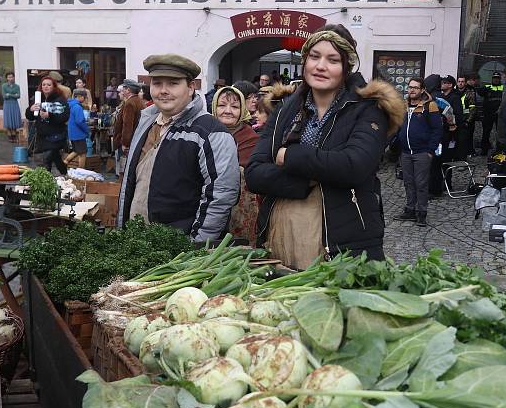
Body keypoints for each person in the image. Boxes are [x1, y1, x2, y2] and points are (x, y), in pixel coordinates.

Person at [246, 24, 403, 268]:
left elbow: (355, 166)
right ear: (305, 61)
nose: (321, 66)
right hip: (282, 228)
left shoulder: (369, 110)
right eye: (314, 57)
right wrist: (311, 178)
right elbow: (255, 174)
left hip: (343, 234)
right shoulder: (284, 108)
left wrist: (290, 157)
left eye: (333, 60)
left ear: (345, 68)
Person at [116, 54, 240, 242]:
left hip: (178, 251)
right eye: (157, 83)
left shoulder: (211, 133)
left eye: (173, 83)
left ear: (190, 87)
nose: (163, 91)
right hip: (137, 240)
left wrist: (195, 249)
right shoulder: (146, 122)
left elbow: (220, 197)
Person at [212, 85, 260, 243]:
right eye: (221, 105)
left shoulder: (249, 137)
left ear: (242, 110)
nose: (227, 111)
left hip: (240, 211)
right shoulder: (206, 133)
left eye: (234, 106)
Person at [395, 78, 443, 226]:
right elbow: (398, 126)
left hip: (422, 152)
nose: (412, 90)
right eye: (410, 87)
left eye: (415, 88)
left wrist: (430, 150)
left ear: (422, 90)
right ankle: (410, 209)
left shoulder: (430, 105)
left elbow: (437, 129)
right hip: (405, 152)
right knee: (408, 183)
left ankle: (421, 213)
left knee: (421, 184)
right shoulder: (403, 105)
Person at [25, 76, 70, 175]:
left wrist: (49, 115)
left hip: (55, 136)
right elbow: (30, 117)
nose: (46, 87)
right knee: (54, 159)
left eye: (49, 85)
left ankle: (48, 178)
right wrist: (30, 110)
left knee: (46, 160)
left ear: (54, 86)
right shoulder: (37, 98)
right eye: (43, 84)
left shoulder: (60, 99)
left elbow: (64, 116)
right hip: (41, 136)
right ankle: (64, 172)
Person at [113, 79, 145, 175]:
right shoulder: (139, 101)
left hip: (129, 142)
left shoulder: (130, 103)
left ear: (128, 90)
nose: (122, 91)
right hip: (135, 139)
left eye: (124, 88)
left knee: (124, 171)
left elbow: (128, 125)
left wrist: (125, 143)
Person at [480, 72, 505, 157]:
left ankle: (500, 150)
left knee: (500, 133)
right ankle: (484, 150)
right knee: (486, 132)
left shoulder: (503, 87)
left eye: (497, 78)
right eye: (494, 78)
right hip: (488, 114)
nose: (496, 79)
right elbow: (479, 91)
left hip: (500, 114)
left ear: (500, 79)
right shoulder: (487, 87)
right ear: (492, 79)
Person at [66, 88, 89, 168]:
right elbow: (80, 121)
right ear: (79, 96)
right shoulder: (77, 107)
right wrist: (86, 130)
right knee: (83, 153)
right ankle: (81, 171)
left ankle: (65, 162)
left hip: (72, 133)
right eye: (84, 97)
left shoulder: (70, 105)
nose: (85, 99)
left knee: (76, 151)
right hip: (79, 133)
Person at [1, 71, 22, 143]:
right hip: (7, 104)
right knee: (8, 118)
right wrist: (13, 94)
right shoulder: (4, 86)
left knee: (14, 118)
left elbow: (18, 96)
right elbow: (4, 96)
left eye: (12, 77)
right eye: (9, 77)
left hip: (14, 104)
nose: (11, 78)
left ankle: (14, 134)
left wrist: (9, 94)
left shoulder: (17, 86)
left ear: (14, 77)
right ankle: (9, 134)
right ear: (6, 78)